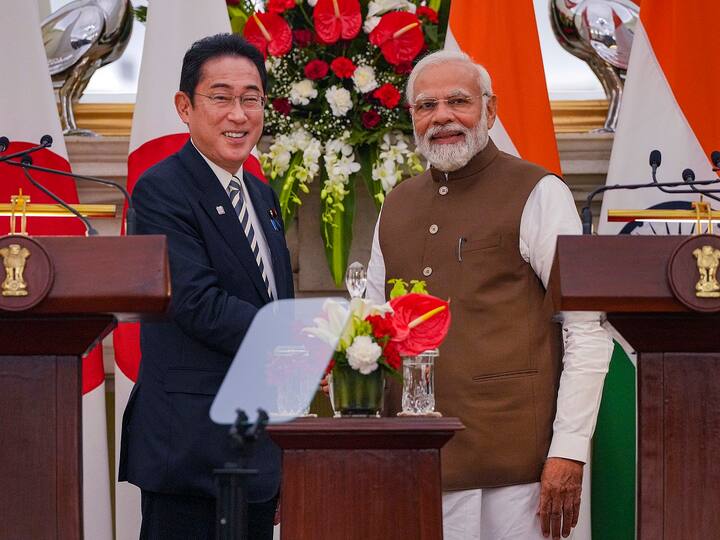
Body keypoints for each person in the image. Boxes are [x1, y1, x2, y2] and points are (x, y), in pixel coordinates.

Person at [366, 50, 613, 540]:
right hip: (415, 467)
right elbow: (369, 326)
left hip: (519, 473)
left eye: (459, 101)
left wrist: (568, 451)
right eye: (426, 106)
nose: (442, 117)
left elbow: (587, 331)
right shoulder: (397, 203)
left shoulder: (539, 191)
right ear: (412, 118)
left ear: (491, 111)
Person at [119, 33, 293, 540]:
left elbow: (270, 298)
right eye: (220, 97)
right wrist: (298, 339)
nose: (238, 114)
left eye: (251, 98)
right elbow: (194, 302)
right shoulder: (160, 189)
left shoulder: (261, 194)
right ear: (185, 106)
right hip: (190, 449)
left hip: (255, 452)